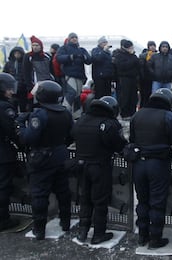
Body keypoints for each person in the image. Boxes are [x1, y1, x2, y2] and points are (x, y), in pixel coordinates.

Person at [129, 88, 172, 249]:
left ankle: (142, 235)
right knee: (157, 202)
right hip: (158, 164)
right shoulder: (169, 116)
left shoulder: (137, 114)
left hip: (139, 164)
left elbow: (132, 140)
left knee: (142, 201)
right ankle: (155, 238)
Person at [16, 80, 73, 240]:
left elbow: (29, 139)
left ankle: (39, 229)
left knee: (40, 194)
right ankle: (66, 222)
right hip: (60, 155)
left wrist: (20, 124)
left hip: (41, 158)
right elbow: (70, 135)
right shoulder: (65, 112)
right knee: (63, 192)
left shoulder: (40, 114)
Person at [72, 96, 127, 244]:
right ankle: (98, 234)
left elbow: (72, 136)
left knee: (85, 198)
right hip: (99, 166)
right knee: (100, 201)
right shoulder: (109, 124)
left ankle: (82, 231)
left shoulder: (82, 120)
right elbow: (119, 145)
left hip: (81, 165)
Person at [0, 73, 21, 231]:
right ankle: (3, 219)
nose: (11, 92)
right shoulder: (5, 107)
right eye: (8, 89)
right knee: (3, 187)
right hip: (3, 152)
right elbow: (12, 131)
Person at [56, 32, 92, 115]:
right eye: (72, 37)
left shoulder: (82, 50)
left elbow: (89, 61)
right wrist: (70, 57)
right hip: (69, 75)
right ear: (69, 39)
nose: (74, 39)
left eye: (75, 37)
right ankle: (64, 112)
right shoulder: (64, 48)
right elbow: (59, 58)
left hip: (80, 75)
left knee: (77, 95)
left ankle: (77, 114)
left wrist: (84, 57)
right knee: (71, 93)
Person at [22, 36, 54, 111]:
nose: (35, 47)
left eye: (37, 45)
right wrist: (29, 85)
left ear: (41, 46)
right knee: (34, 103)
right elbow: (26, 72)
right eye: (33, 45)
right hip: (35, 84)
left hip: (48, 82)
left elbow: (52, 70)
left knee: (48, 102)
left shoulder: (47, 56)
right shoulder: (28, 57)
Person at [112, 39, 140, 120]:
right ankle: (125, 114)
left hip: (133, 78)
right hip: (123, 78)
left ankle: (133, 113)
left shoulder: (133, 56)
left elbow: (137, 66)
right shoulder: (118, 55)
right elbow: (121, 66)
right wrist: (132, 61)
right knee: (125, 97)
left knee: (133, 97)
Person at [3, 46, 26, 112]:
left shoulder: (25, 63)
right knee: (12, 106)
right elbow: (5, 74)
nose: (17, 55)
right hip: (11, 88)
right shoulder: (8, 64)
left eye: (19, 53)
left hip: (22, 88)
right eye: (15, 53)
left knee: (23, 106)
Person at [138, 41, 157, 107]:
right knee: (144, 94)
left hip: (154, 78)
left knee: (152, 94)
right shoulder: (143, 55)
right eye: (151, 45)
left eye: (154, 45)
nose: (153, 47)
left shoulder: (157, 54)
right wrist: (142, 76)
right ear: (148, 47)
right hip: (145, 78)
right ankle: (143, 107)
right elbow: (141, 67)